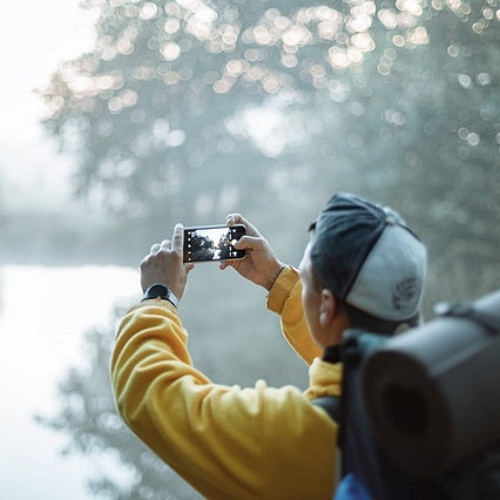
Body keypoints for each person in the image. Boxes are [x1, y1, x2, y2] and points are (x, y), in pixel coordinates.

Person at [110, 192, 427, 499]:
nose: (303, 287)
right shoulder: (438, 378)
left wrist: (158, 295)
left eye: (306, 279)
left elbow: (150, 394)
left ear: (327, 307)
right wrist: (277, 279)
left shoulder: (297, 438)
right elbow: (348, 348)